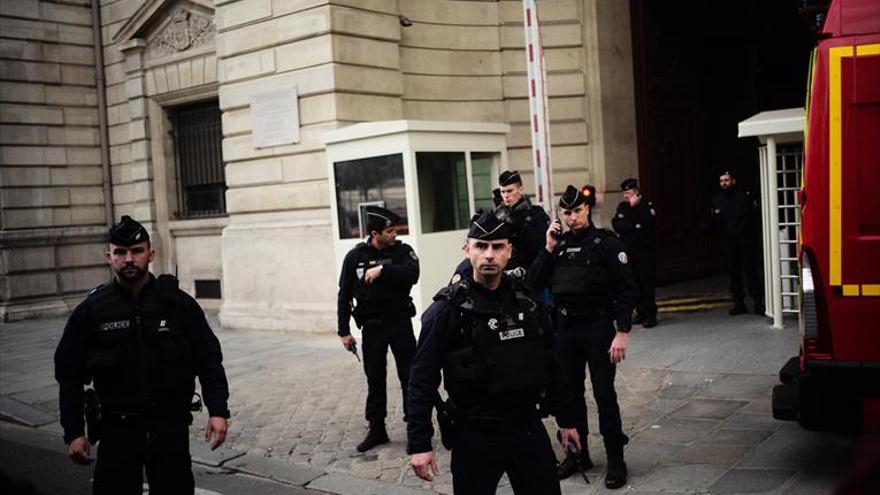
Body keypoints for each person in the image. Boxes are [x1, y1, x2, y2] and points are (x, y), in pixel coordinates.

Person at [407, 211, 582, 495]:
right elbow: (421, 379)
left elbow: (553, 363)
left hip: (527, 428)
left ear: (509, 251)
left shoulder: (527, 302)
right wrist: (420, 444)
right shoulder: (447, 311)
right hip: (475, 434)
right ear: (467, 249)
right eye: (481, 246)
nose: (489, 255)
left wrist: (568, 420)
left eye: (498, 246)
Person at [54, 216, 230, 495]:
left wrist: (218, 411)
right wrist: (74, 431)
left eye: (136, 250)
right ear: (109, 256)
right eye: (121, 252)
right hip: (117, 429)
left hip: (169, 427)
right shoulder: (93, 311)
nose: (129, 259)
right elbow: (69, 372)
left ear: (151, 254)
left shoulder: (177, 304)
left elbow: (208, 358)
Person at [528, 185, 637, 489]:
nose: (572, 217)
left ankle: (616, 459)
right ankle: (579, 455)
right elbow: (533, 283)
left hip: (598, 328)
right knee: (570, 396)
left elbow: (627, 288)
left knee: (604, 395)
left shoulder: (605, 243)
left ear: (587, 210)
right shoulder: (558, 246)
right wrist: (548, 248)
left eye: (577, 211)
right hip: (565, 331)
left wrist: (622, 331)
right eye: (566, 213)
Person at [337, 205, 419, 452]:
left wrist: (382, 269)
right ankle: (377, 429)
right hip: (372, 326)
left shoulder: (403, 252)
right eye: (390, 231)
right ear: (375, 233)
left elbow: (412, 274)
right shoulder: (356, 256)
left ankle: (415, 430)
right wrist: (344, 331)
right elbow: (344, 295)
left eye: (395, 230)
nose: (395, 234)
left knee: (410, 376)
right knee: (375, 378)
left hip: (400, 321)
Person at [710, 170, 765, 315]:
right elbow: (715, 224)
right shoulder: (716, 200)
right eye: (721, 181)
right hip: (728, 243)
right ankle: (739, 303)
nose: (724, 183)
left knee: (751, 272)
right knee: (734, 274)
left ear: (733, 181)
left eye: (726, 180)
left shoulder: (744, 197)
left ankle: (758, 303)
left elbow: (753, 219)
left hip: (745, 240)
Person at [612, 178, 658, 328]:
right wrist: (634, 225)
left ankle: (650, 315)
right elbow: (617, 224)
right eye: (624, 193)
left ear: (636, 191)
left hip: (644, 251)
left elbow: (647, 223)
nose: (626, 196)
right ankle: (640, 312)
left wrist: (634, 214)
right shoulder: (623, 206)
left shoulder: (646, 205)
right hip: (629, 250)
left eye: (628, 192)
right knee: (634, 283)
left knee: (646, 283)